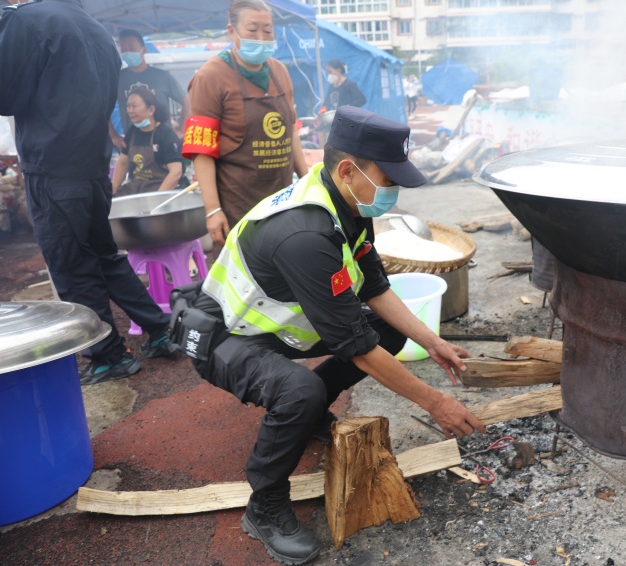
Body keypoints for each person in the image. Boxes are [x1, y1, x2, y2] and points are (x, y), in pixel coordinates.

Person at [172, 106, 484, 564]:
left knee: (387, 332)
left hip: (274, 327)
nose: (393, 192)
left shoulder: (349, 205)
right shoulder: (304, 233)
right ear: (347, 170)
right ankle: (264, 506)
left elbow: (374, 287)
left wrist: (432, 342)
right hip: (225, 336)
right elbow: (355, 347)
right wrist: (436, 403)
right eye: (389, 180)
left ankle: (311, 411)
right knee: (299, 390)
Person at [0, 0, 179, 384]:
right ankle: (159, 330)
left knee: (73, 267)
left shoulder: (26, 20)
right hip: (94, 167)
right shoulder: (94, 27)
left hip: (53, 169)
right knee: (106, 258)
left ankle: (109, 355)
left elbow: (5, 96)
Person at [184, 0, 308, 248]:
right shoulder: (210, 76)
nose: (261, 38)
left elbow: (291, 133)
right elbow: (201, 151)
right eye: (252, 30)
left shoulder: (280, 71)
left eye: (268, 31)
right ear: (232, 31)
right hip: (237, 205)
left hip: (283, 201)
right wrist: (212, 210)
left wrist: (307, 183)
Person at [111, 28, 191, 151]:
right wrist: (113, 136)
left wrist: (182, 130)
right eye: (124, 49)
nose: (127, 53)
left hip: (163, 143)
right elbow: (102, 108)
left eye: (131, 48)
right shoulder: (118, 78)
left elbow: (187, 102)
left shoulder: (162, 76)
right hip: (133, 143)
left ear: (144, 50)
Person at [112, 87, 183, 195]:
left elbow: (176, 172)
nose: (130, 111)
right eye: (128, 106)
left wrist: (157, 199)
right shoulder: (132, 132)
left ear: (151, 109)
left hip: (160, 194)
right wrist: (113, 191)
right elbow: (122, 162)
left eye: (134, 106)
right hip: (135, 192)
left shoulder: (165, 135)